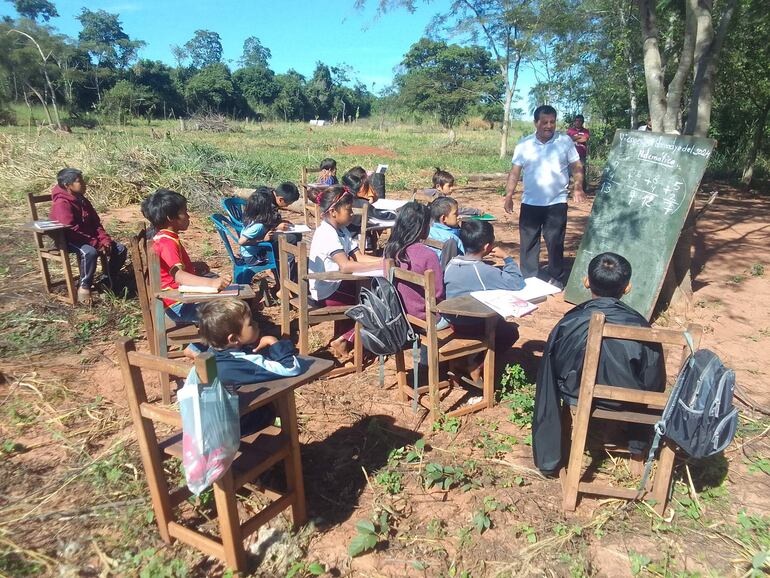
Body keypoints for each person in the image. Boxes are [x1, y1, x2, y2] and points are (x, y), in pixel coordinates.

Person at [531, 252, 665, 475]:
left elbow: (551, 371)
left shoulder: (569, 322)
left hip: (576, 393)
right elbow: (653, 380)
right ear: (628, 287)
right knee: (647, 387)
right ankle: (636, 449)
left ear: (586, 282)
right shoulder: (640, 327)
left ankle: (552, 458)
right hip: (626, 400)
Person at [503, 105, 585, 288]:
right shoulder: (524, 144)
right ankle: (529, 278)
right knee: (528, 243)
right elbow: (515, 172)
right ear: (536, 123)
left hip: (556, 203)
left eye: (552, 122)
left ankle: (556, 277)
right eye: (545, 122)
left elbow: (576, 166)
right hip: (530, 203)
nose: (549, 126)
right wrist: (509, 195)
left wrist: (577, 187)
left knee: (555, 242)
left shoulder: (564, 142)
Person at [141, 189, 230, 356]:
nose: (188, 216)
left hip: (174, 299)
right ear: (170, 218)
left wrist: (194, 266)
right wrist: (212, 283)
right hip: (177, 304)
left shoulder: (163, 237)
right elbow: (178, 275)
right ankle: (207, 354)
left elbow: (168, 269)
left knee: (222, 304)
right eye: (184, 212)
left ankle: (200, 348)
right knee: (225, 313)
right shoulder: (168, 243)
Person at [198, 298, 303, 434]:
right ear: (234, 339)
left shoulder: (212, 353)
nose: (256, 323)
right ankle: (283, 442)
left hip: (212, 424)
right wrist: (275, 343)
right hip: (238, 426)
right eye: (250, 323)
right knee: (271, 404)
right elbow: (291, 368)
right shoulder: (243, 362)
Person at [443, 220, 524, 382]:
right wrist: (507, 258)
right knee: (510, 332)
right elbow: (517, 283)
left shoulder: (452, 263)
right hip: (471, 325)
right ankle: (475, 365)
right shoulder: (484, 272)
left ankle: (463, 360)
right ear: (488, 247)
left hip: (452, 319)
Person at [308, 185, 382, 360]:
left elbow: (359, 257)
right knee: (373, 300)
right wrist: (382, 267)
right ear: (333, 212)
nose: (352, 214)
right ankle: (346, 338)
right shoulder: (327, 233)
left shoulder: (341, 229)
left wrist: (383, 260)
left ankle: (344, 337)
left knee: (365, 289)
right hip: (328, 289)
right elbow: (346, 266)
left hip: (335, 285)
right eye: (348, 210)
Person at [50, 168, 128, 303]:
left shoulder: (82, 200)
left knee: (120, 249)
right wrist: (96, 244)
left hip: (89, 237)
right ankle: (84, 287)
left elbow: (96, 222)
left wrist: (105, 240)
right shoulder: (62, 203)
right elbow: (71, 230)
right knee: (89, 253)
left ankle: (107, 279)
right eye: (80, 181)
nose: (84, 184)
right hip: (69, 240)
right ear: (68, 185)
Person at [383, 202, 446, 326]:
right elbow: (438, 294)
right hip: (426, 319)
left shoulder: (390, 250)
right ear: (422, 227)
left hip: (398, 314)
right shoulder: (428, 255)